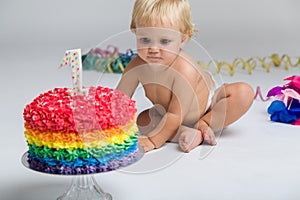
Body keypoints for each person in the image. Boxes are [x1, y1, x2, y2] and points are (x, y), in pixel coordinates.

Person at [116, 0, 254, 153]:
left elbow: (176, 114)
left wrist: (153, 140)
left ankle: (204, 124)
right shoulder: (136, 67)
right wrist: (97, 121)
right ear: (135, 31)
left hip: (207, 107)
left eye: (164, 41)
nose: (153, 49)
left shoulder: (184, 69)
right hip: (167, 114)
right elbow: (118, 100)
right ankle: (187, 133)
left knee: (243, 93)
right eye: (145, 40)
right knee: (142, 120)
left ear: (183, 38)